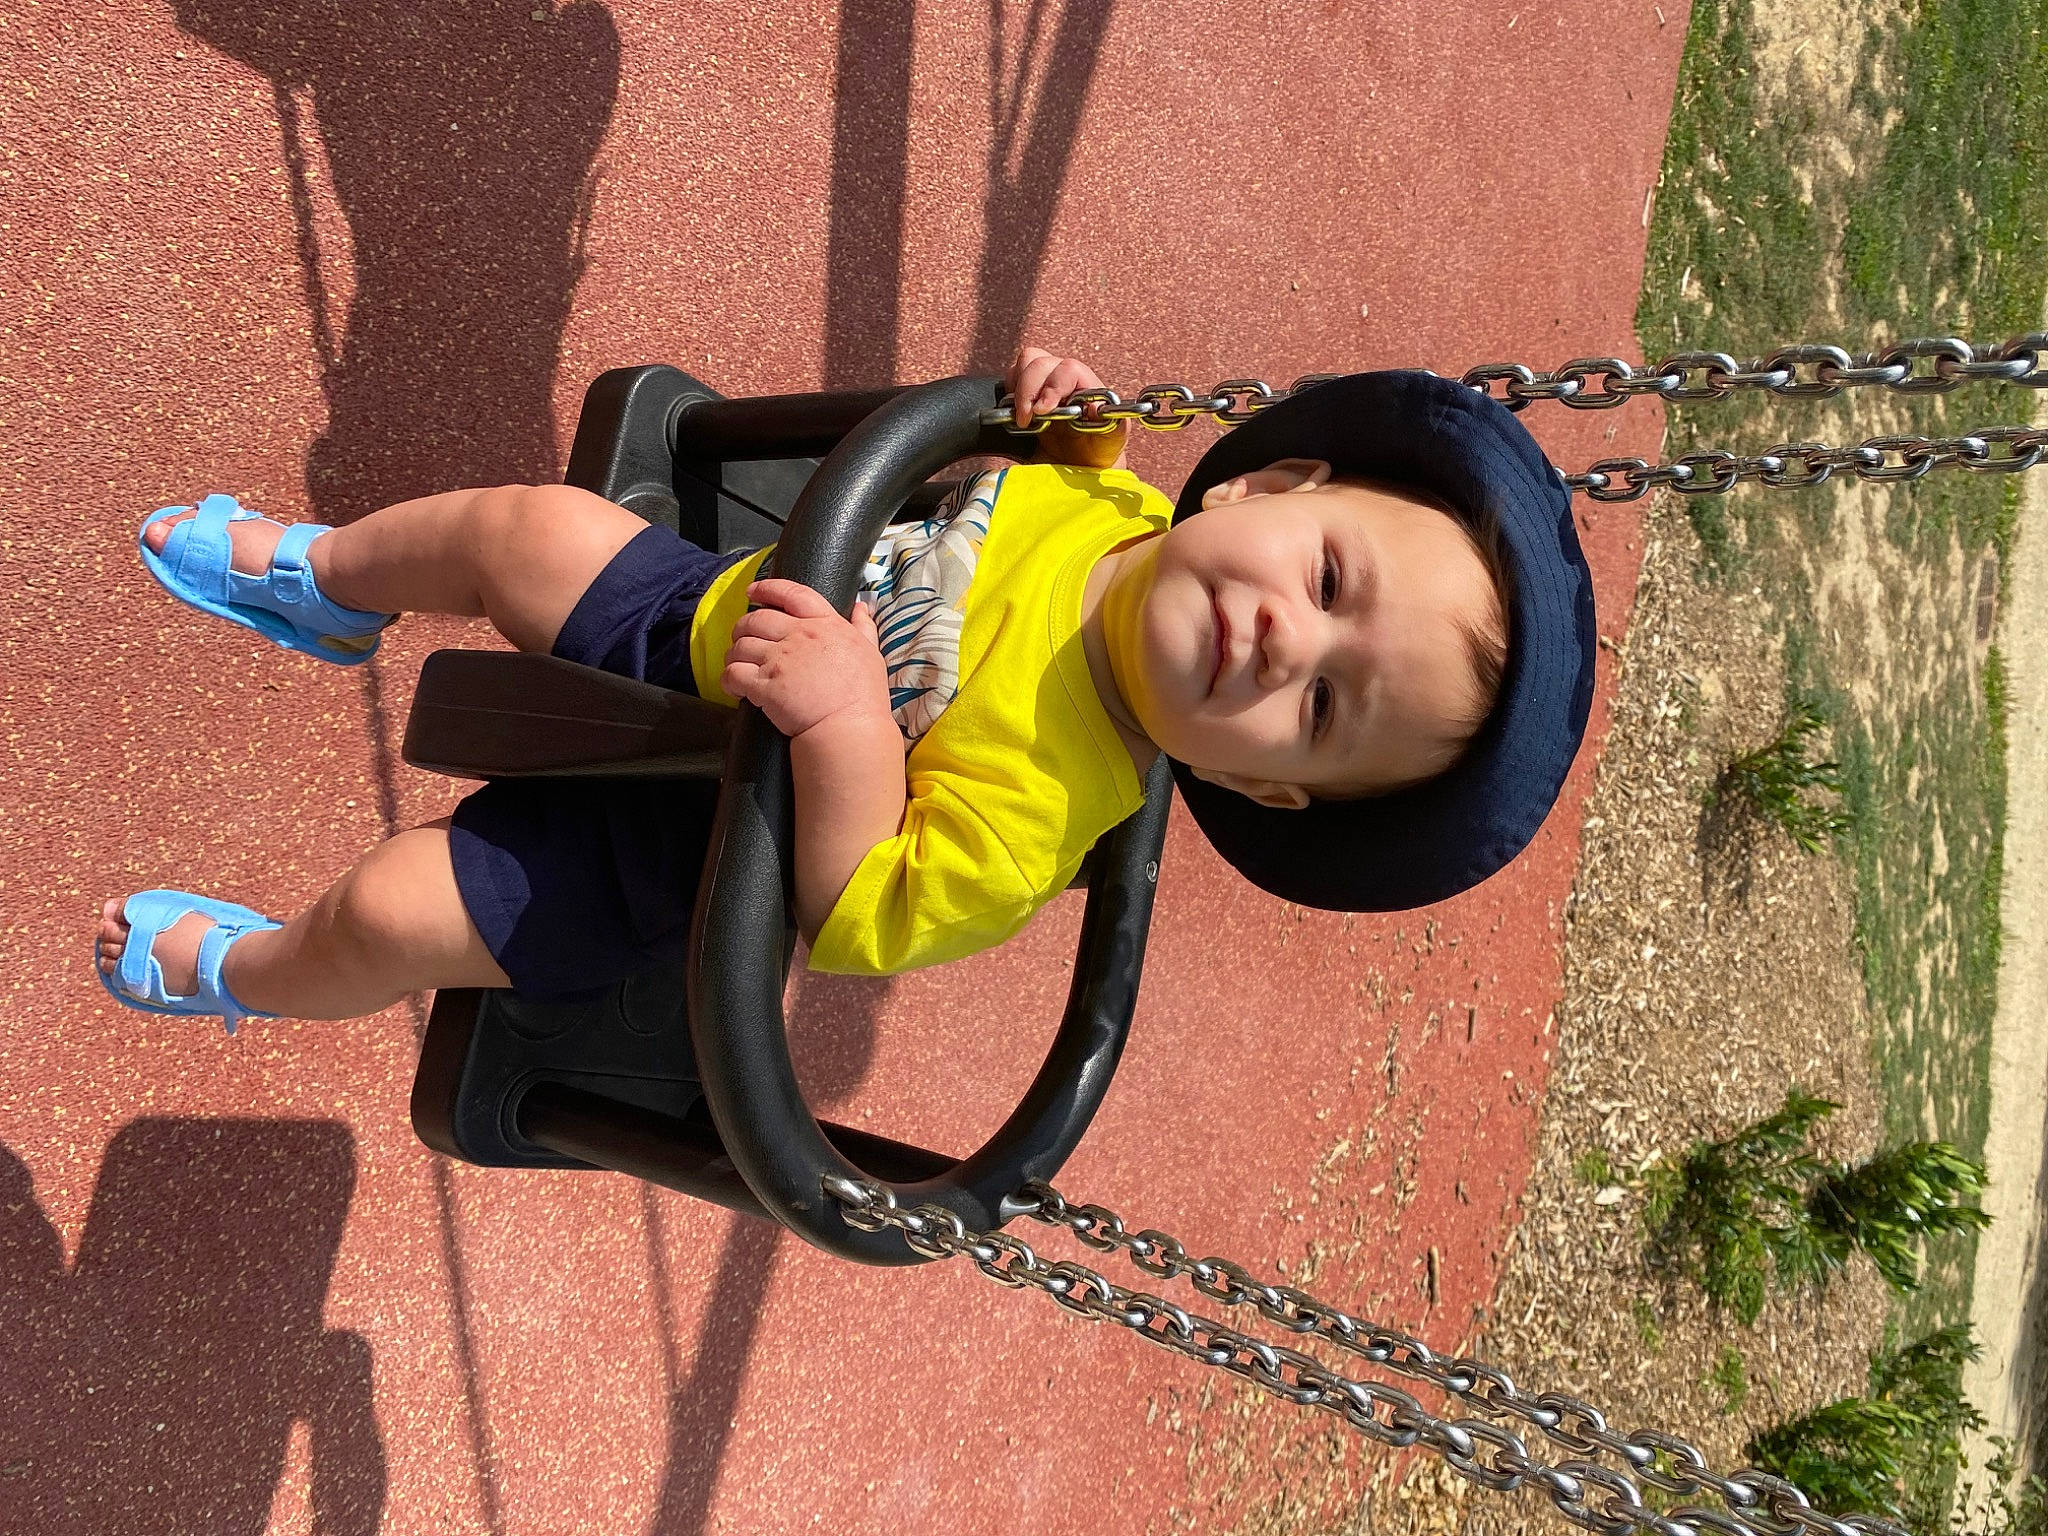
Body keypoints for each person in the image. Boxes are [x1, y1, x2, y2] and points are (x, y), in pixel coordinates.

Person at [93, 347, 1596, 1031]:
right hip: (707, 624)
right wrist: (1063, 424)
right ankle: (330, 582)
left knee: (395, 912)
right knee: (516, 531)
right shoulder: (1123, 513)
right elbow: (1037, 494)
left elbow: (864, 912)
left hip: (690, 854)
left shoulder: (1043, 816)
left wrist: (847, 729)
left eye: (1322, 711)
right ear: (1270, 481)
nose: (1286, 643)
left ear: (1264, 789)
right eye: (1330, 579)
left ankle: (260, 976)